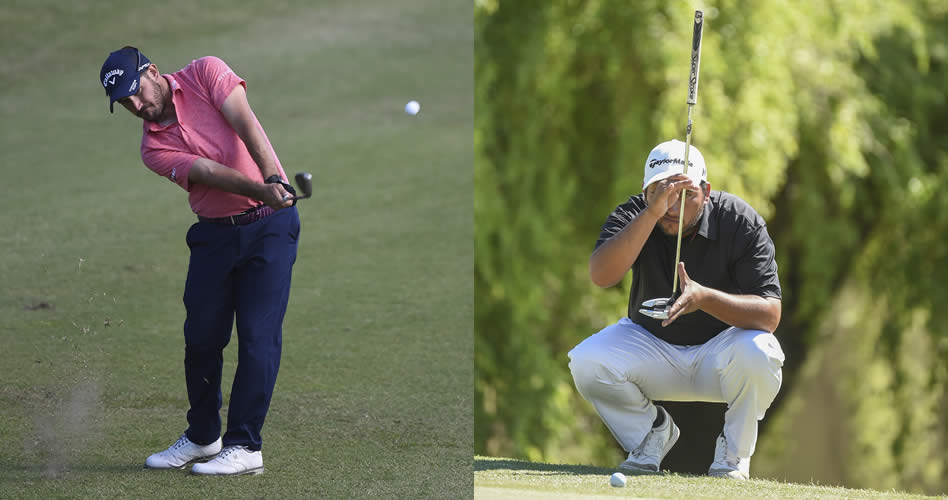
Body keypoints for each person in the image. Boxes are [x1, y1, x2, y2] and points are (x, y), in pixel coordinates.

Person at [99, 46, 301, 476]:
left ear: (152, 72)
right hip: (214, 234)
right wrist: (262, 188)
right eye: (125, 103)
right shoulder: (152, 148)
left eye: (136, 92)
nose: (137, 106)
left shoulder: (206, 73)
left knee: (257, 335)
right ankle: (204, 437)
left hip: (270, 228)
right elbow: (206, 171)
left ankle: (245, 445)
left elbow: (246, 124)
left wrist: (273, 180)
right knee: (202, 338)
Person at [568, 139, 785, 480]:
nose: (674, 207)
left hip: (722, 356)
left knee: (761, 351)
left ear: (707, 190)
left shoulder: (740, 221)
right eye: (661, 192)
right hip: (651, 348)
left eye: (687, 194)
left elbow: (770, 314)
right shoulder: (636, 214)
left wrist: (704, 299)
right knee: (586, 361)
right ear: (645, 192)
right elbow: (601, 275)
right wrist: (651, 212)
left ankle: (732, 457)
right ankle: (651, 434)